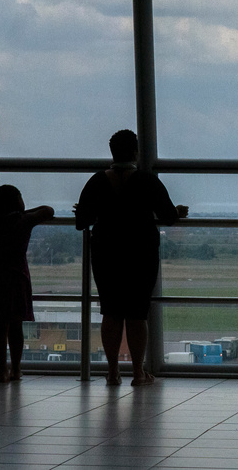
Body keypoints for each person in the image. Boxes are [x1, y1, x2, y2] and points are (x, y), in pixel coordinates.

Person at [75, 129, 186, 387]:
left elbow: (83, 221)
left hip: (106, 254)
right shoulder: (148, 181)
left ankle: (113, 372)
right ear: (135, 151)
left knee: (110, 311)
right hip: (140, 252)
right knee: (137, 312)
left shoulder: (97, 182)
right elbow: (168, 215)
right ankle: (138, 372)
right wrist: (178, 211)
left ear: (112, 152)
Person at [0, 185, 55, 383]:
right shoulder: (23, 220)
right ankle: (16, 368)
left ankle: (1, 370)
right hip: (16, 275)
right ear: (16, 202)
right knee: (15, 325)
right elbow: (48, 210)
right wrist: (21, 212)